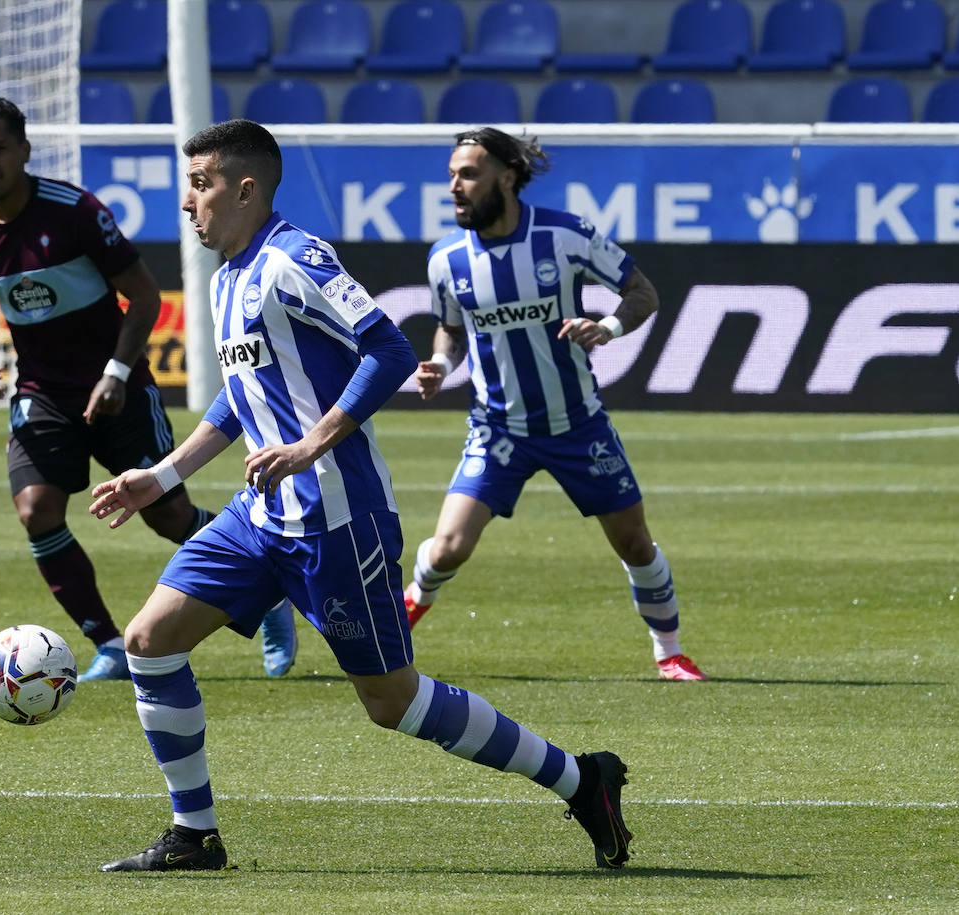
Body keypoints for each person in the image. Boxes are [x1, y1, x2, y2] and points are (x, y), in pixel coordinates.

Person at [87, 119, 634, 873]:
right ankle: (195, 833)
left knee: (394, 702)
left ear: (245, 189)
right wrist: (165, 475)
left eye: (201, 184)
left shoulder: (297, 259)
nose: (187, 202)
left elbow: (389, 348)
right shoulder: (224, 277)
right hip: (259, 518)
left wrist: (314, 443)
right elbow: (242, 401)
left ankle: (580, 778)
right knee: (148, 641)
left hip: (337, 521)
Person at [0, 98, 297, 682]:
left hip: (120, 385)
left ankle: (270, 590)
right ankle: (107, 643)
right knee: (36, 511)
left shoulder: (74, 212)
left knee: (167, 516)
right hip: (43, 393)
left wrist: (114, 371)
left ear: (24, 152)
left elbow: (146, 296)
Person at [404, 127, 706, 682]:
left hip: (577, 425)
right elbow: (450, 329)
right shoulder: (446, 259)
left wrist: (608, 327)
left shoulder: (565, 237)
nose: (455, 186)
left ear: (508, 177)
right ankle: (405, 614)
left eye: (468, 174)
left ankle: (670, 652)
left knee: (635, 542)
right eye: (451, 175)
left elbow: (643, 293)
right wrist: (442, 366)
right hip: (499, 428)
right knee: (447, 548)